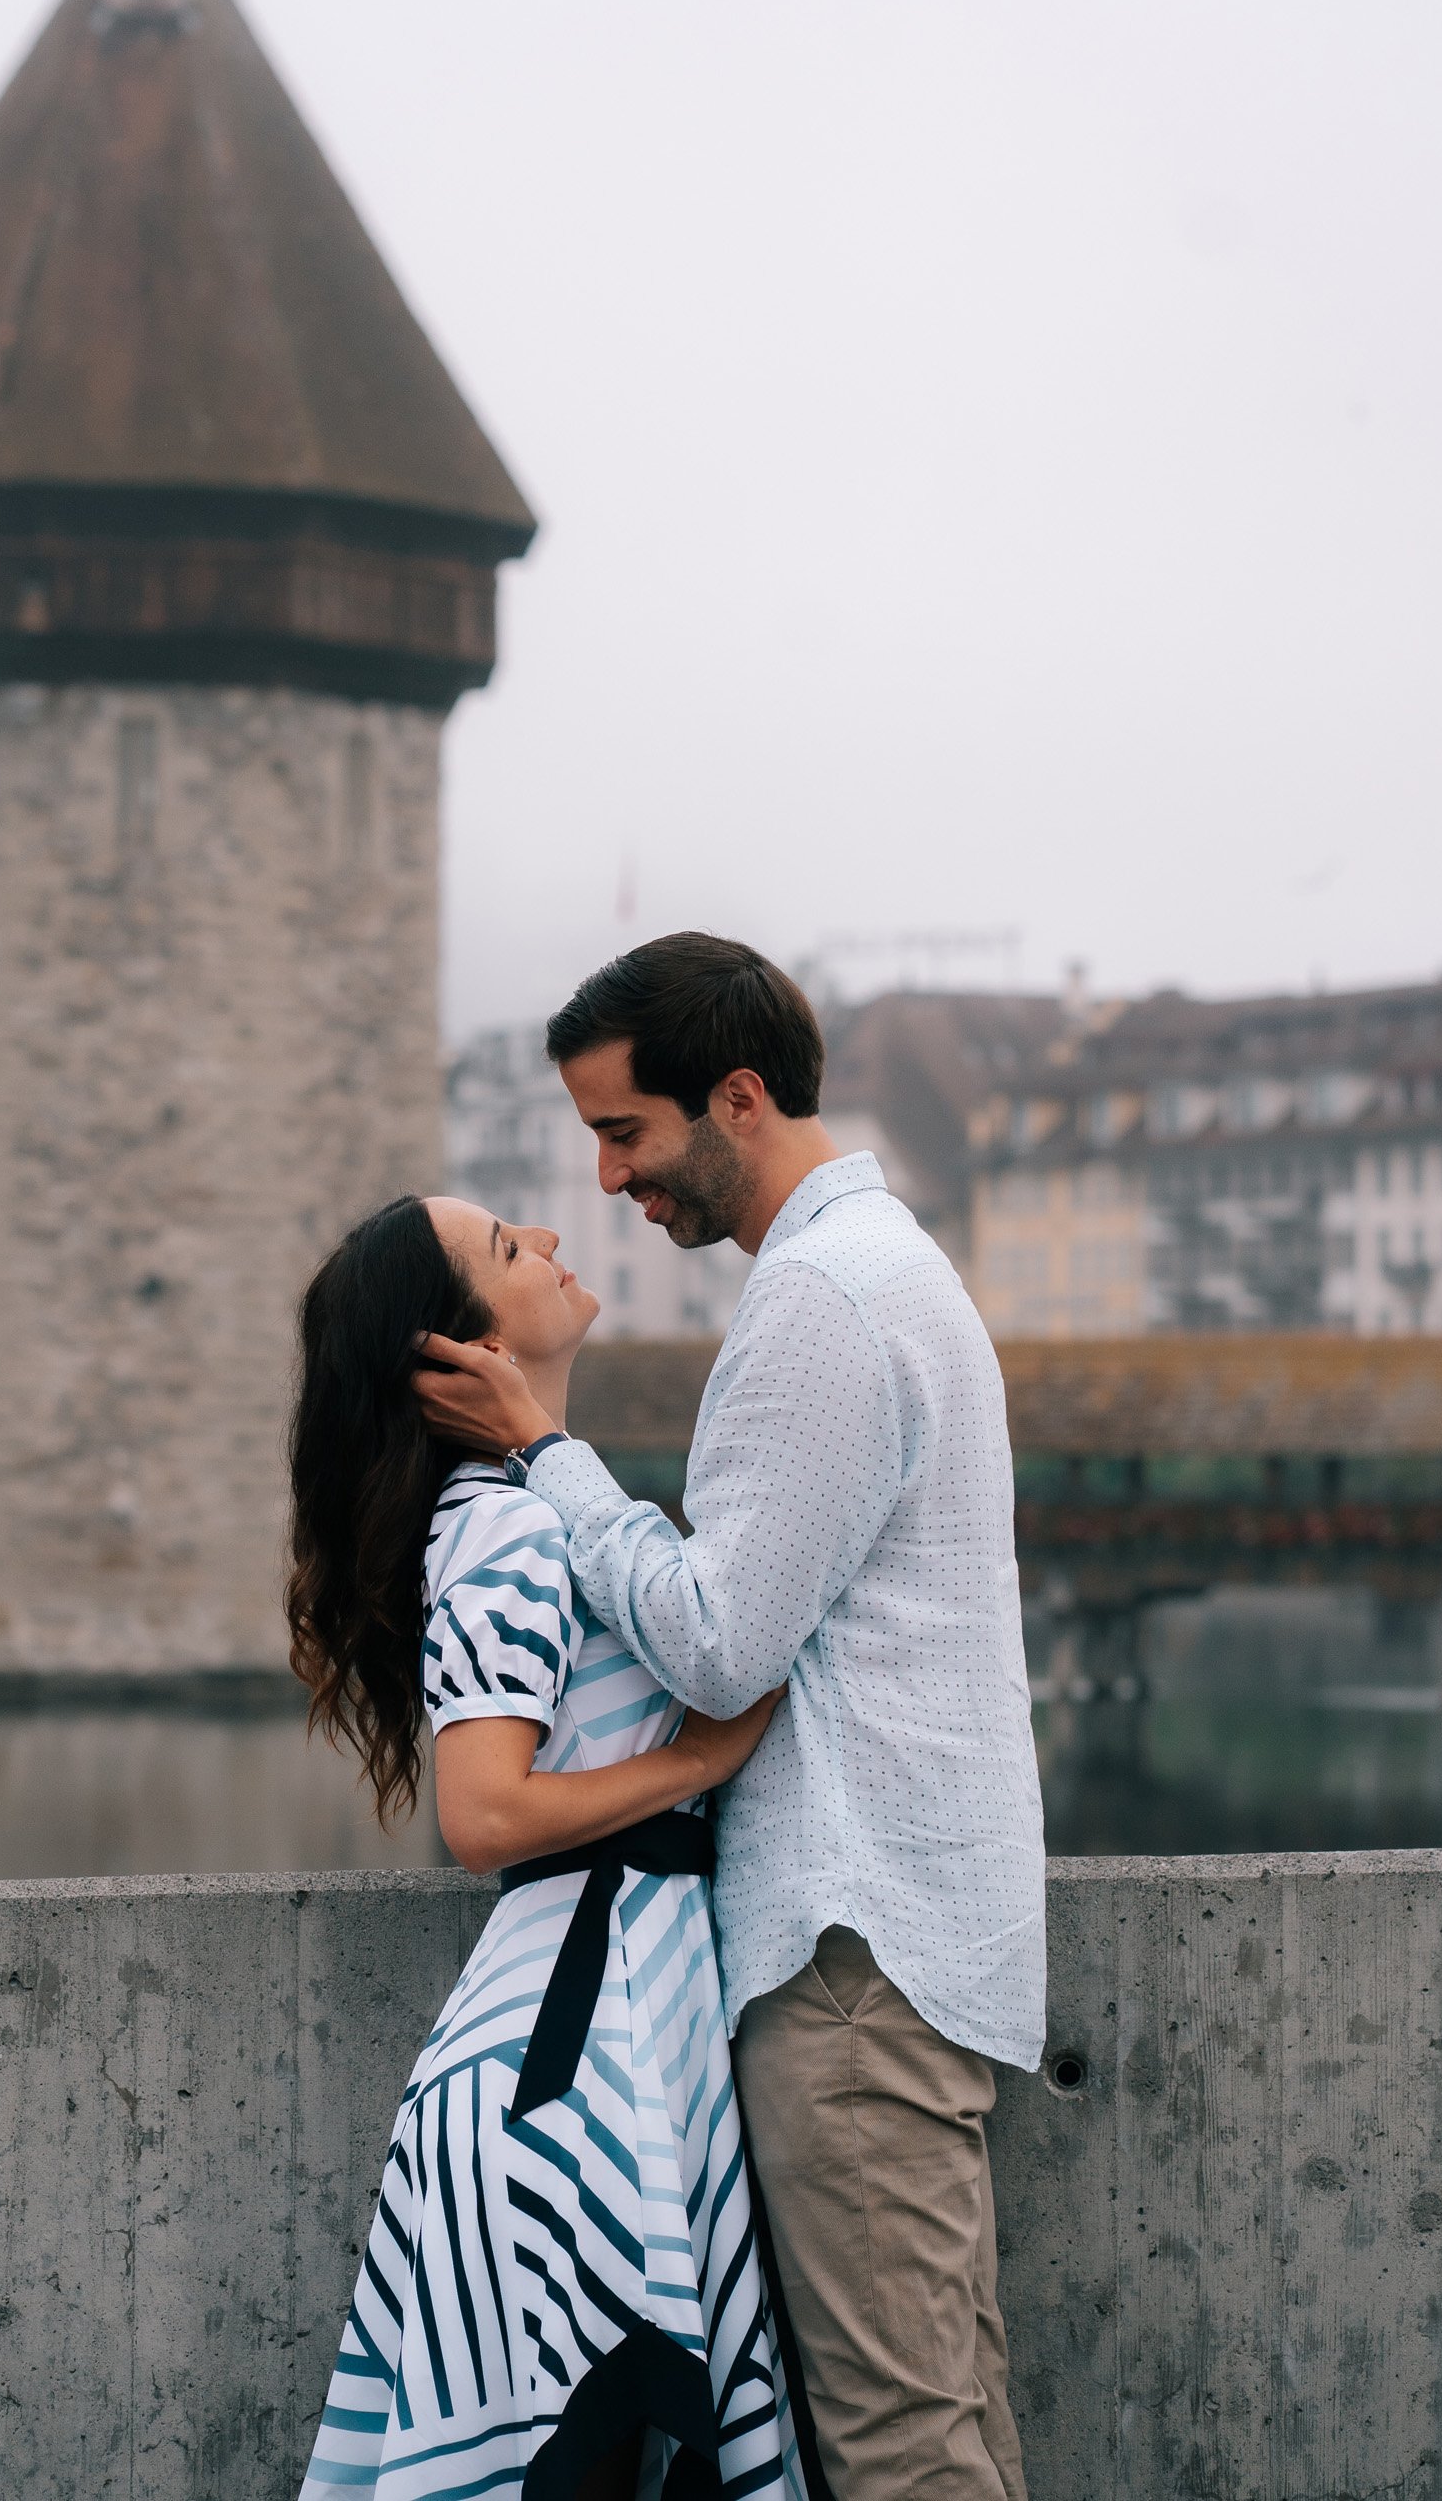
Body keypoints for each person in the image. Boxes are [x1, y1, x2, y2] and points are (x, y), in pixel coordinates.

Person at [415, 936, 1046, 2501]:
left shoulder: (822, 1301)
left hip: (852, 1952)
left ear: (739, 1101)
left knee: (903, 2449)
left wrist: (548, 1453)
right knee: (947, 2421)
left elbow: (719, 1644)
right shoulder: (883, 1267)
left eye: (625, 1133)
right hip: (909, 1930)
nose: (611, 1179)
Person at [290, 1188, 807, 2501]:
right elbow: (486, 1815)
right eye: (512, 1251)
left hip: (593, 2047)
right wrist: (690, 1763)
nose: (559, 1247)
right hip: (568, 2077)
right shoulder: (513, 1530)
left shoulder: (524, 1509)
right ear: (457, 1351)